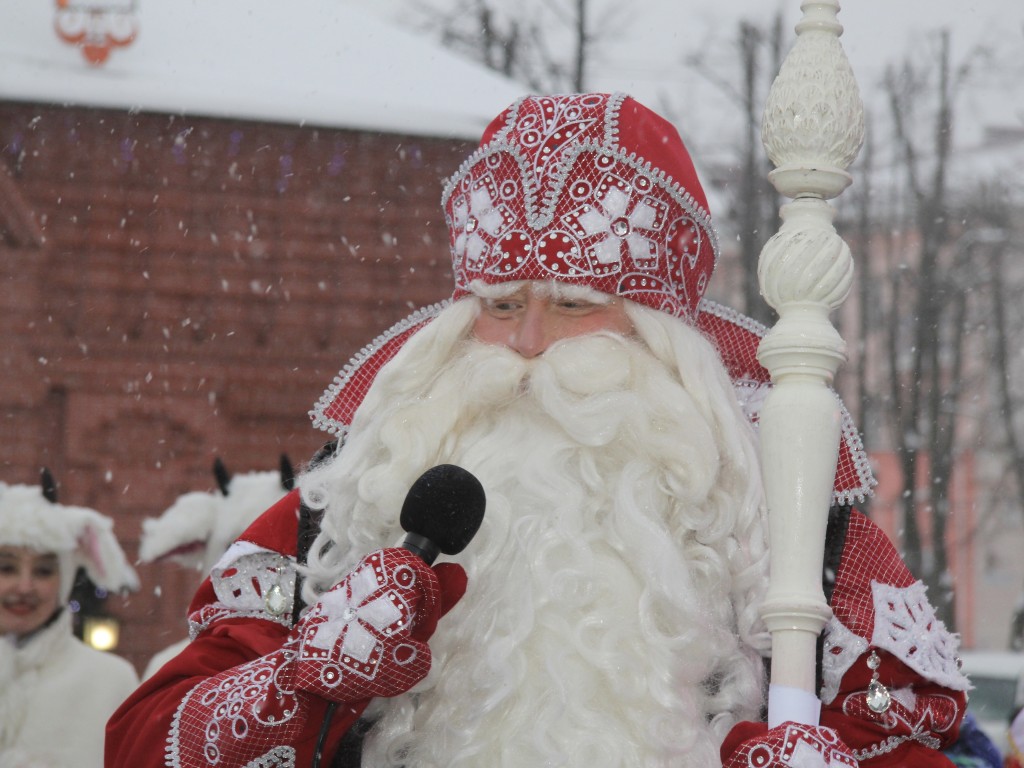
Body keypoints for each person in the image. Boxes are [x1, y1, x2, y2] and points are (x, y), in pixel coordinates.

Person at [106, 92, 971, 767]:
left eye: (574, 306)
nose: (526, 345)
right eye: (499, 305)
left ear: (663, 336)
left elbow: (925, 749)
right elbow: (141, 744)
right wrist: (296, 688)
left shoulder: (797, 541)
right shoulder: (338, 516)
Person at [1, 472, 140, 768]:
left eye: (43, 571)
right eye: (7, 568)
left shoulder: (110, 681)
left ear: (64, 579)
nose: (24, 587)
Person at [136, 456, 294, 680]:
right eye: (236, 552)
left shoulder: (315, 664)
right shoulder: (169, 667)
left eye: (270, 555)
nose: (252, 572)